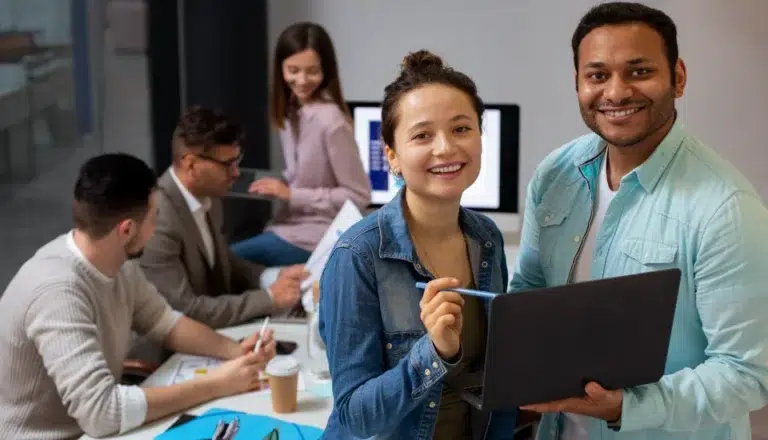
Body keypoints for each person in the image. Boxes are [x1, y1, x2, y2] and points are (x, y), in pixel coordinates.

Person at [512, 3, 768, 439]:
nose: (616, 92)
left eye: (639, 71)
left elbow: (747, 373)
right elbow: (529, 294)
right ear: (577, 83)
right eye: (597, 75)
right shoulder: (555, 175)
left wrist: (625, 408)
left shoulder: (726, 207)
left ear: (678, 78)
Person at [0, 153, 277, 440]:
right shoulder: (57, 291)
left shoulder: (118, 263)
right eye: (154, 217)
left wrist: (237, 351)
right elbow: (101, 412)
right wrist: (218, 384)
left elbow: (165, 323)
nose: (157, 228)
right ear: (127, 230)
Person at [319, 50, 517, 440]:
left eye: (461, 129)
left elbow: (492, 381)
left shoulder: (487, 238)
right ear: (392, 157)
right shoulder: (356, 256)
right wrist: (435, 353)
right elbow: (356, 417)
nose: (445, 148)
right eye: (422, 135)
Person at [139, 106, 308, 330]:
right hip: (170, 352)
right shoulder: (158, 219)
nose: (236, 173)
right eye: (227, 164)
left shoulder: (209, 196)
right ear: (191, 164)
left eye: (237, 160)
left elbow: (222, 260)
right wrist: (268, 298)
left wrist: (272, 276)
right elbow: (184, 311)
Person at [230, 22, 372, 267]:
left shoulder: (332, 121)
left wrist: (291, 194)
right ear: (280, 69)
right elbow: (306, 175)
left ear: (326, 70)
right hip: (288, 225)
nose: (302, 80)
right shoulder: (290, 110)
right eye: (293, 70)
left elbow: (358, 195)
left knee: (224, 263)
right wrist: (280, 183)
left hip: (315, 236)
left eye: (312, 71)